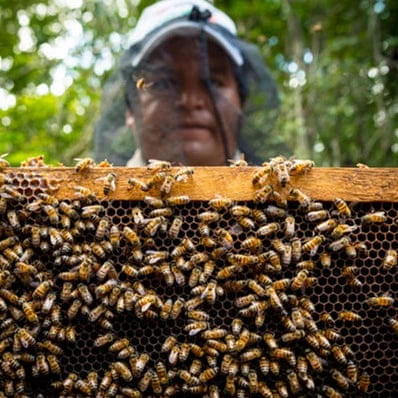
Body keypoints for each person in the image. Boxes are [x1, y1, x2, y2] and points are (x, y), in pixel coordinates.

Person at [94, 0, 281, 166]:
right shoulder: (96, 198)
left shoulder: (285, 197)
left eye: (212, 83)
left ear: (241, 101)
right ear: (130, 110)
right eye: (164, 83)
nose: (190, 101)